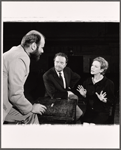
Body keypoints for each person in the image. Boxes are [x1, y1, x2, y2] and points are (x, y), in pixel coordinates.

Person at [3, 30, 47, 124]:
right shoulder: (20, 58)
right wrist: (31, 108)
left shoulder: (16, 51)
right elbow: (15, 95)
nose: (42, 51)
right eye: (42, 47)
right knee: (32, 116)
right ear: (34, 46)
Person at [43, 52, 83, 120]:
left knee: (79, 114)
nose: (58, 64)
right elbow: (53, 94)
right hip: (53, 100)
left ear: (65, 64)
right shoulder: (47, 75)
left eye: (61, 63)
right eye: (57, 62)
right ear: (54, 61)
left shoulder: (67, 70)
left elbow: (77, 77)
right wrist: (67, 93)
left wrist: (70, 86)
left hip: (65, 98)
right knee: (65, 117)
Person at [77, 57, 116, 125]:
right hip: (89, 112)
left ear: (101, 70)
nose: (92, 68)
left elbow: (112, 101)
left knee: (92, 126)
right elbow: (86, 101)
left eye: (96, 66)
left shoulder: (109, 83)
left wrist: (104, 100)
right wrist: (84, 95)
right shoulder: (87, 82)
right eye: (92, 65)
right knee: (85, 126)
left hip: (102, 112)